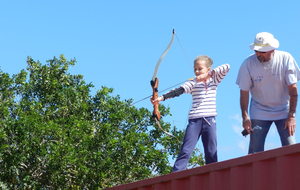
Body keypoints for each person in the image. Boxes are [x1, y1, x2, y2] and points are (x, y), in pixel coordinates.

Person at [151, 55, 230, 172]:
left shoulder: (214, 80)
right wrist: (161, 98)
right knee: (186, 149)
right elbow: (179, 91)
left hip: (210, 120)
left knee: (211, 150)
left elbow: (227, 66)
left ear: (208, 69)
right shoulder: (193, 83)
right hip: (194, 121)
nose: (197, 71)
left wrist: (207, 75)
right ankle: (176, 173)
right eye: (195, 69)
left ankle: (214, 173)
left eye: (200, 69)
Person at [236, 32, 300, 154]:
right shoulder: (247, 64)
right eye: (256, 51)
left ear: (272, 49)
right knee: (255, 151)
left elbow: (293, 90)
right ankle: (253, 173)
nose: (258, 54)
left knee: (291, 148)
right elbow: (244, 92)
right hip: (259, 110)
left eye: (262, 51)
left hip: (283, 110)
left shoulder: (286, 59)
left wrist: (291, 116)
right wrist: (245, 117)